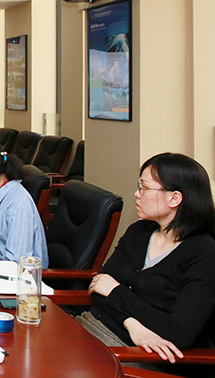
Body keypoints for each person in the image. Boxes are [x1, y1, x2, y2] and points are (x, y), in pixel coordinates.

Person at [79, 153, 215, 365]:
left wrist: (116, 291)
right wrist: (132, 324)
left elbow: (177, 332)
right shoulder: (139, 231)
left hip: (138, 356)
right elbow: (99, 287)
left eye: (144, 187)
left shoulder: (204, 254)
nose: (137, 194)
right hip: (95, 327)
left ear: (174, 198)